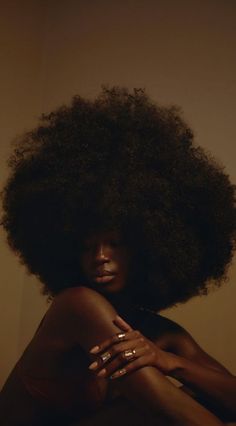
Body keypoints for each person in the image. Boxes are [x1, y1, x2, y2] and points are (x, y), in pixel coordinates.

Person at [0, 86, 236, 425]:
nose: (99, 256)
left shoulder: (159, 333)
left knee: (201, 393)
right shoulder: (76, 306)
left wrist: (173, 362)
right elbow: (181, 416)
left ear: (146, 244)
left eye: (114, 242)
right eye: (86, 246)